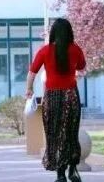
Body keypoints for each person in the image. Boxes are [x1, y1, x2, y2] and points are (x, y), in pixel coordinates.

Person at [27, 19, 86, 182]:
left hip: (52, 98)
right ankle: (72, 170)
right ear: (69, 32)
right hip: (71, 96)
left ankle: (60, 174)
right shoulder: (75, 49)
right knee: (71, 134)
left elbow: (32, 72)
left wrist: (29, 89)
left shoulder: (45, 50)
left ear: (53, 32)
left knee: (54, 135)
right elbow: (81, 67)